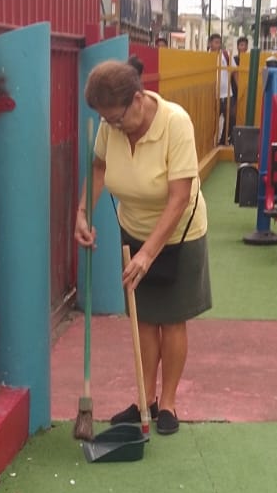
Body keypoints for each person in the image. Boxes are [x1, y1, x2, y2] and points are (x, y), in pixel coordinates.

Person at [74, 59, 211, 435]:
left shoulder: (175, 123)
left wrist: (149, 253)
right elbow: (99, 168)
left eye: (117, 118)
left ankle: (168, 403)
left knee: (172, 318)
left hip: (179, 233)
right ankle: (144, 400)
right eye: (106, 120)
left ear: (138, 99)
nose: (113, 126)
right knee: (145, 318)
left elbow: (179, 197)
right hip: (134, 228)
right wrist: (83, 212)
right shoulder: (110, 126)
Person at [208, 32, 237, 146]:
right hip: (212, 94)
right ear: (210, 43)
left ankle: (223, 141)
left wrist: (238, 87)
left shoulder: (226, 55)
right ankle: (209, 143)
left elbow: (234, 71)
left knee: (231, 118)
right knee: (211, 120)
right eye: (216, 42)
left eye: (219, 42)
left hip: (227, 94)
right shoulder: (205, 56)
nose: (218, 45)